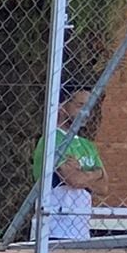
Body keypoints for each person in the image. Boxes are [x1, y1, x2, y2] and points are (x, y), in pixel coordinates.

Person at [37, 88, 106, 241]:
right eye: (80, 105)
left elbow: (103, 187)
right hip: (53, 231)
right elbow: (74, 180)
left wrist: (84, 174)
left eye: (89, 107)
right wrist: (95, 173)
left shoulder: (88, 145)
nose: (86, 113)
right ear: (62, 106)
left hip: (81, 232)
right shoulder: (52, 139)